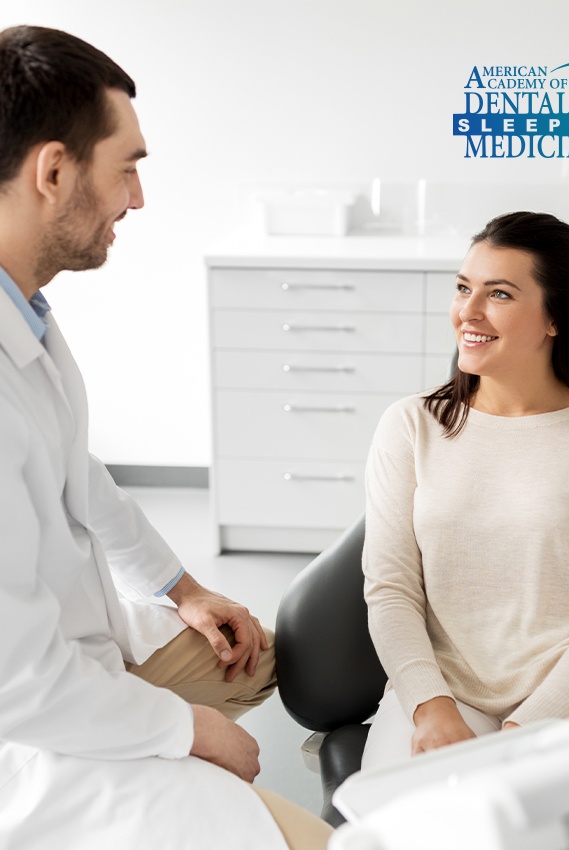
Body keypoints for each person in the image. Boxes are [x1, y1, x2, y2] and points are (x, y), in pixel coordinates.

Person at [0, 25, 331, 850]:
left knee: (251, 655)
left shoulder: (25, 314)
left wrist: (182, 587)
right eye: (128, 167)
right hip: (30, 728)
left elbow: (77, 469)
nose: (137, 199)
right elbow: (19, 684)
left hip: (74, 656)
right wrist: (190, 734)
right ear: (52, 171)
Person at [361, 211, 569, 770]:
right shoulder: (410, 426)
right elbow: (390, 588)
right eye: (462, 288)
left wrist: (526, 730)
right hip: (442, 697)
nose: (467, 313)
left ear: (555, 318)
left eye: (498, 294)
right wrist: (429, 706)